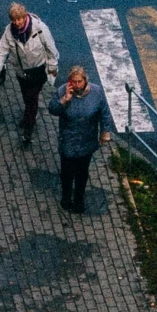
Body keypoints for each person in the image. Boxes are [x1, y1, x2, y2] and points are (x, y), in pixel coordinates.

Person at [0, 1, 59, 146]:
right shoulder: (9, 32)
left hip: (39, 70)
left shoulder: (40, 28)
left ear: (25, 16)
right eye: (14, 20)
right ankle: (28, 117)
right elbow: (2, 50)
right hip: (21, 72)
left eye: (19, 19)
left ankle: (28, 127)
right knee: (27, 97)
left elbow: (51, 48)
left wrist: (52, 67)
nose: (17, 22)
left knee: (31, 98)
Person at [49, 65, 111, 213]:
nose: (77, 85)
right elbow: (52, 109)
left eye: (79, 82)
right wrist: (64, 100)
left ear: (85, 81)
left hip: (86, 140)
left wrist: (105, 132)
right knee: (67, 173)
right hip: (68, 141)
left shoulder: (96, 92)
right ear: (70, 81)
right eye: (74, 82)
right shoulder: (62, 91)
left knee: (82, 173)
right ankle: (66, 197)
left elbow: (104, 113)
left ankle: (79, 199)